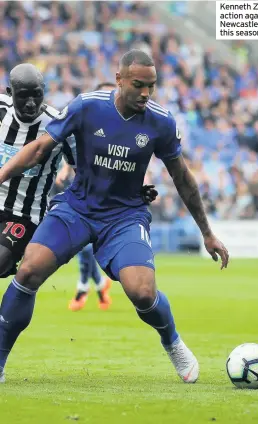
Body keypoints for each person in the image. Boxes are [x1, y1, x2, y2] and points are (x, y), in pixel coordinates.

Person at [0, 50, 229, 384]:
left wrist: (207, 233)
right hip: (76, 208)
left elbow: (183, 178)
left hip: (124, 216)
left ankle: (173, 342)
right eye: (139, 85)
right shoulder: (86, 106)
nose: (146, 93)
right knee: (30, 269)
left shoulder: (161, 122)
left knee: (143, 292)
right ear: (120, 80)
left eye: (152, 86)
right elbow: (38, 150)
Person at [55, 81, 158, 311]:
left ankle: (89, 286)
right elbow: (70, 149)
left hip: (116, 212)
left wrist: (142, 189)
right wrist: (65, 170)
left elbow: (133, 172)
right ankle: (95, 286)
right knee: (82, 250)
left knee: (88, 252)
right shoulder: (87, 120)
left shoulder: (131, 136)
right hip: (83, 202)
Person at [0, 63, 76, 280]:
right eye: (23, 96)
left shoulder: (59, 125)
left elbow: (85, 171)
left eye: (37, 95)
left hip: (23, 215)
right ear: (10, 93)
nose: (31, 103)